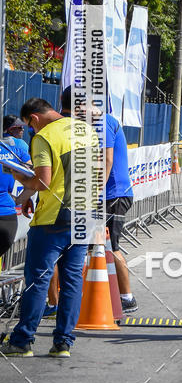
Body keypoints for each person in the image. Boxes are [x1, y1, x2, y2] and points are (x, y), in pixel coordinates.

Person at [0, 98, 99, 358]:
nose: (31, 131)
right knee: (72, 281)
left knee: (38, 281)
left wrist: (18, 176)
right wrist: (27, 196)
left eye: (30, 126)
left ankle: (22, 341)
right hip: (84, 215)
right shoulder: (86, 130)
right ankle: (63, 343)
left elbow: (43, 182)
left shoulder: (44, 137)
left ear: (34, 119)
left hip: (54, 219)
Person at [60, 87, 137, 313]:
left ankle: (126, 297)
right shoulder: (93, 123)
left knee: (111, 246)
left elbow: (107, 161)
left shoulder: (102, 123)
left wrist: (93, 195)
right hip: (106, 194)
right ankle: (102, 294)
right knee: (95, 246)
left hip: (112, 195)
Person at [0, 123, 32, 263]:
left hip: (6, 213)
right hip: (7, 215)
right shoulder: (18, 145)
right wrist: (23, 197)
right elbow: (32, 173)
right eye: (19, 128)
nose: (22, 131)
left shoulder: (18, 145)